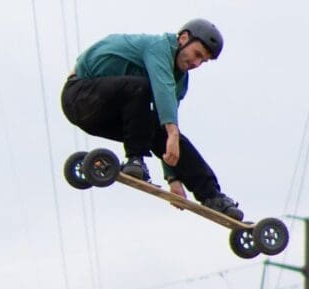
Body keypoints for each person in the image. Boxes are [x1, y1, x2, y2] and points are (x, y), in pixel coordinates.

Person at [61, 18, 244, 221]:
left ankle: (211, 195)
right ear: (183, 39)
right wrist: (171, 131)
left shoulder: (180, 80)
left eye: (203, 61)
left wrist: (173, 177)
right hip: (79, 96)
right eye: (197, 54)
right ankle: (135, 160)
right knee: (143, 90)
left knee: (160, 129)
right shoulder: (159, 48)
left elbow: (166, 124)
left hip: (109, 113)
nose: (196, 63)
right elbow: (163, 91)